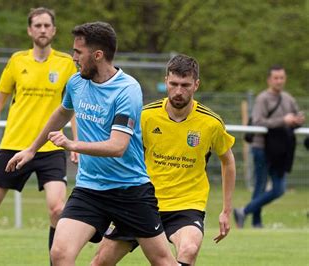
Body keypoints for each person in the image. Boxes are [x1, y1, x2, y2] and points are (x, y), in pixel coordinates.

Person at [6, 21, 177, 265]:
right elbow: (62, 113)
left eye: (78, 52)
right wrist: (32, 149)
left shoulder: (127, 90)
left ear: (97, 55)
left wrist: (73, 145)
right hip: (90, 189)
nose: (73, 57)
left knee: (163, 261)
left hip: (130, 190)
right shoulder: (76, 83)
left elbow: (118, 147)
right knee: (60, 254)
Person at [90, 54, 236, 266]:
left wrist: (226, 210)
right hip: (143, 201)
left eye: (185, 85)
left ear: (196, 85)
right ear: (166, 81)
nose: (178, 91)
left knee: (189, 249)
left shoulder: (211, 123)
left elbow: (228, 161)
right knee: (100, 262)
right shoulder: (145, 116)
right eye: (174, 83)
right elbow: (122, 155)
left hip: (186, 204)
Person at [0, 7, 77, 258]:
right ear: (29, 30)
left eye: (47, 25)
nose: (43, 30)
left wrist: (76, 142)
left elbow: (73, 106)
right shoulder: (17, 61)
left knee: (58, 209)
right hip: (14, 146)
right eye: (38, 25)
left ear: (54, 30)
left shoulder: (66, 63)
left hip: (50, 148)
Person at [234, 65, 305, 228]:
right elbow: (258, 121)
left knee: (279, 188)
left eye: (282, 77)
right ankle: (256, 222)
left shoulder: (288, 98)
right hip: (262, 148)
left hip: (280, 150)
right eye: (276, 78)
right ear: (269, 80)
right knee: (260, 185)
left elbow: (295, 116)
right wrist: (283, 121)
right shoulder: (262, 98)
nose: (279, 81)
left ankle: (243, 211)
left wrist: (299, 119)